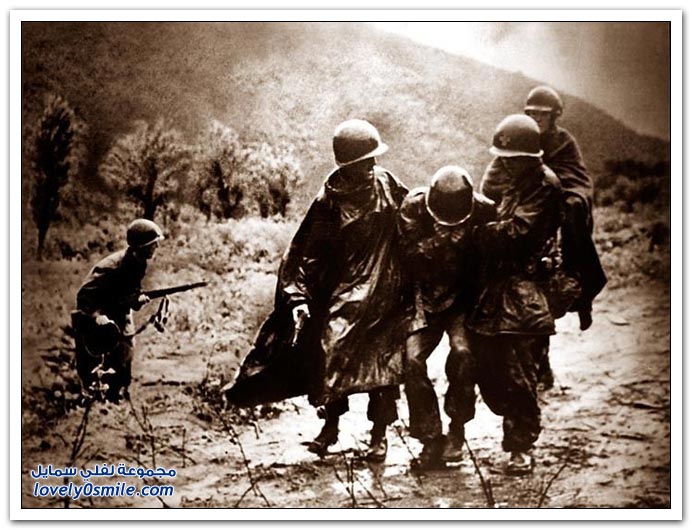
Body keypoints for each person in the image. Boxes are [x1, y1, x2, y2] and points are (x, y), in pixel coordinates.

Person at [225, 119, 410, 462]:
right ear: (348, 164)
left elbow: (412, 221)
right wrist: (297, 297)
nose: (373, 164)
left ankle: (379, 436)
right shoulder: (329, 201)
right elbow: (305, 253)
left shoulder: (387, 184)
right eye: (365, 160)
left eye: (374, 158)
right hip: (345, 291)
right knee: (329, 351)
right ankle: (330, 427)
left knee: (382, 363)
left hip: (385, 289)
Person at [466, 114, 563, 476]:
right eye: (503, 158)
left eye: (511, 159)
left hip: (526, 290)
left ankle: (521, 446)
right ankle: (515, 428)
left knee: (520, 372)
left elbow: (519, 232)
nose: (504, 163)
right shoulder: (513, 180)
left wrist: (477, 232)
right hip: (496, 288)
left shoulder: (544, 185)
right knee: (488, 370)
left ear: (528, 157)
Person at [481, 86, 606, 333]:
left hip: (561, 195)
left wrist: (563, 197)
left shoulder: (563, 141)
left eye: (542, 113)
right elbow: (492, 181)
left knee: (573, 211)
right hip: (524, 202)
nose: (536, 118)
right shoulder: (520, 135)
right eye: (532, 113)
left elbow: (574, 175)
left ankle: (577, 283)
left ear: (554, 115)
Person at [397, 165, 495, 470]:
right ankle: (430, 438)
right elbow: (405, 256)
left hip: (462, 300)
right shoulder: (413, 208)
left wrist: (469, 243)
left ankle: (457, 426)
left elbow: (492, 258)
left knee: (464, 354)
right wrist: (440, 241)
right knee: (412, 361)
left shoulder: (484, 211)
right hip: (423, 299)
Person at [72, 219, 163, 403]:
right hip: (97, 318)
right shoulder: (110, 267)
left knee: (125, 354)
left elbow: (129, 293)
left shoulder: (139, 262)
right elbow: (84, 296)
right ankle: (93, 400)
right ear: (142, 246)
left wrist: (137, 300)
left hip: (119, 313)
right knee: (95, 363)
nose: (157, 247)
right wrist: (97, 316)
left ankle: (116, 397)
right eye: (154, 243)